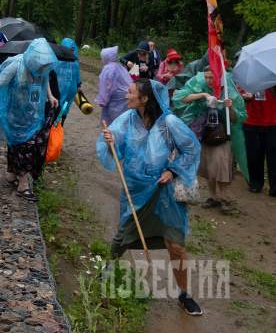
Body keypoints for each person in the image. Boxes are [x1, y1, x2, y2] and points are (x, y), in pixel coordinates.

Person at [97, 79, 203, 317]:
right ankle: (106, 266)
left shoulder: (169, 124)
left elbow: (192, 149)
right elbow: (117, 148)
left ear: (145, 99)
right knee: (123, 235)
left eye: (132, 92)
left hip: (163, 192)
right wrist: (111, 141)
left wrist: (172, 170)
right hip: (134, 189)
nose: (127, 94)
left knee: (175, 245)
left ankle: (185, 294)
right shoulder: (127, 119)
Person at [0, 37, 59, 200]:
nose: (42, 67)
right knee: (24, 146)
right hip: (14, 113)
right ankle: (23, 184)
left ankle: (12, 174)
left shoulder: (41, 67)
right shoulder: (16, 64)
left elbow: (44, 79)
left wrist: (50, 96)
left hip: (33, 112)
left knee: (21, 145)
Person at [173, 67, 246, 212]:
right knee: (208, 165)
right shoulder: (199, 85)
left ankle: (224, 197)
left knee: (222, 165)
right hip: (203, 133)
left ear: (219, 77)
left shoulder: (228, 91)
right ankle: (213, 196)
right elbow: (180, 98)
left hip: (222, 134)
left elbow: (238, 117)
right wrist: (203, 95)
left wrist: (229, 107)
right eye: (206, 77)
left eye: (211, 78)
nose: (208, 80)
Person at [239, 86, 276, 196]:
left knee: (274, 157)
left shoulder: (273, 79)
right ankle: (255, 183)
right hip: (252, 122)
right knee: (254, 155)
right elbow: (238, 97)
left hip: (273, 122)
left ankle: (274, 187)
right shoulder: (247, 81)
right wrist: (245, 97)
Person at [96, 46, 132, 125]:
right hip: (127, 98)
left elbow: (106, 87)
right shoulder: (120, 67)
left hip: (116, 101)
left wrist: (102, 100)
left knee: (112, 124)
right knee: (123, 123)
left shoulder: (108, 68)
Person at [52, 37, 81, 123]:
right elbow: (78, 79)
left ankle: (53, 122)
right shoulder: (75, 62)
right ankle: (62, 122)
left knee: (56, 105)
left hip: (57, 88)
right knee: (66, 105)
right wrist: (78, 85)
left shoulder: (55, 60)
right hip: (70, 90)